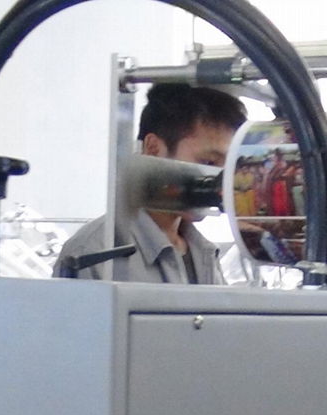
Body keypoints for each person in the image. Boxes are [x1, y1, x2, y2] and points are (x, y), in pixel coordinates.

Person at [57, 83, 247, 283]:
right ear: (153, 148)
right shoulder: (94, 253)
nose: (220, 182)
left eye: (229, 168)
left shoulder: (203, 252)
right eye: (209, 162)